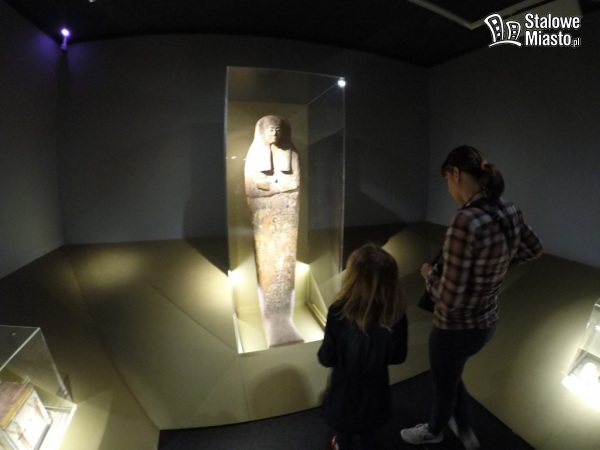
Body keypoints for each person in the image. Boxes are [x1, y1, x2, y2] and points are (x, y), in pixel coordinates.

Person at [401, 145, 543, 449]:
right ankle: (464, 428)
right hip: (486, 322)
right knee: (451, 374)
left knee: (443, 383)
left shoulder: (465, 222)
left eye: (447, 181)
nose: (449, 189)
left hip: (454, 328)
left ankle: (435, 431)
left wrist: (429, 275)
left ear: (455, 174)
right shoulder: (509, 209)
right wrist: (496, 268)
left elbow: (449, 299)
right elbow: (534, 249)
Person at [318, 243, 409, 450]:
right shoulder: (396, 314)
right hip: (376, 390)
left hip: (344, 392)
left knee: (344, 433)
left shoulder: (338, 311)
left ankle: (342, 444)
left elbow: (327, 358)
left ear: (353, 278)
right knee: (369, 431)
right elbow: (399, 356)